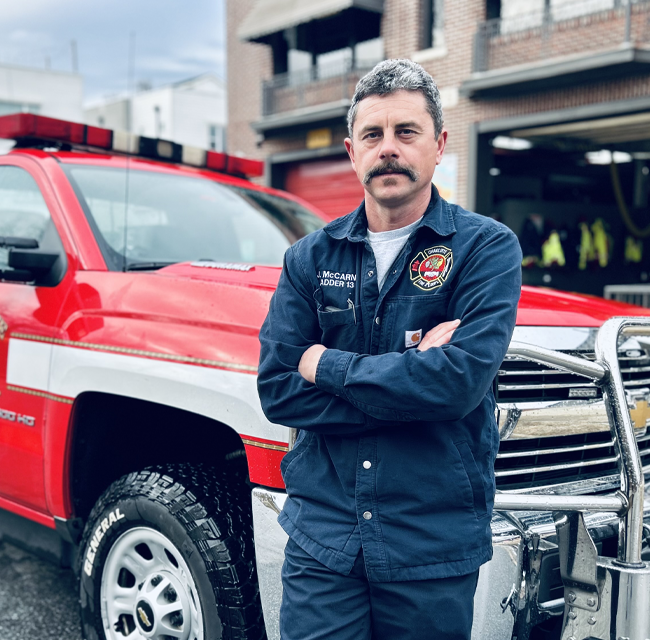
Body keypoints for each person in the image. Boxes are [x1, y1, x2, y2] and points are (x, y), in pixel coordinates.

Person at [257, 59, 522, 639]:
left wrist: (323, 364)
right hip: (325, 536)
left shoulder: (486, 249)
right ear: (352, 151)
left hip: (430, 541)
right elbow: (278, 389)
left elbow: (457, 384)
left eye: (407, 132)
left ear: (439, 144)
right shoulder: (309, 258)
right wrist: (411, 375)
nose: (389, 149)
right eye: (373, 136)